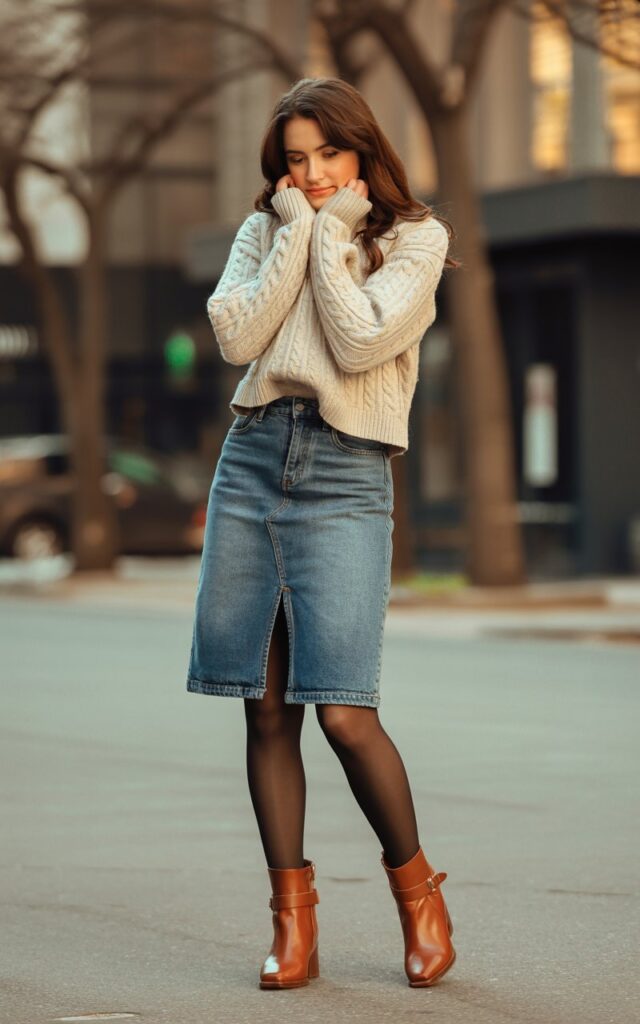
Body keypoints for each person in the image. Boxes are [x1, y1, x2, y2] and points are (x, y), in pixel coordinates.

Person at [186, 76, 458, 990]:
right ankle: (293, 923)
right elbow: (236, 335)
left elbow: (359, 342)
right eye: (294, 160)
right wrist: (301, 230)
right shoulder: (266, 228)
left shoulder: (417, 239)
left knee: (343, 711)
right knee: (266, 709)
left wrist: (335, 236)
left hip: (346, 470)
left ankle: (419, 895)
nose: (309, 173)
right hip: (255, 457)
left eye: (326, 155)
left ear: (361, 151)